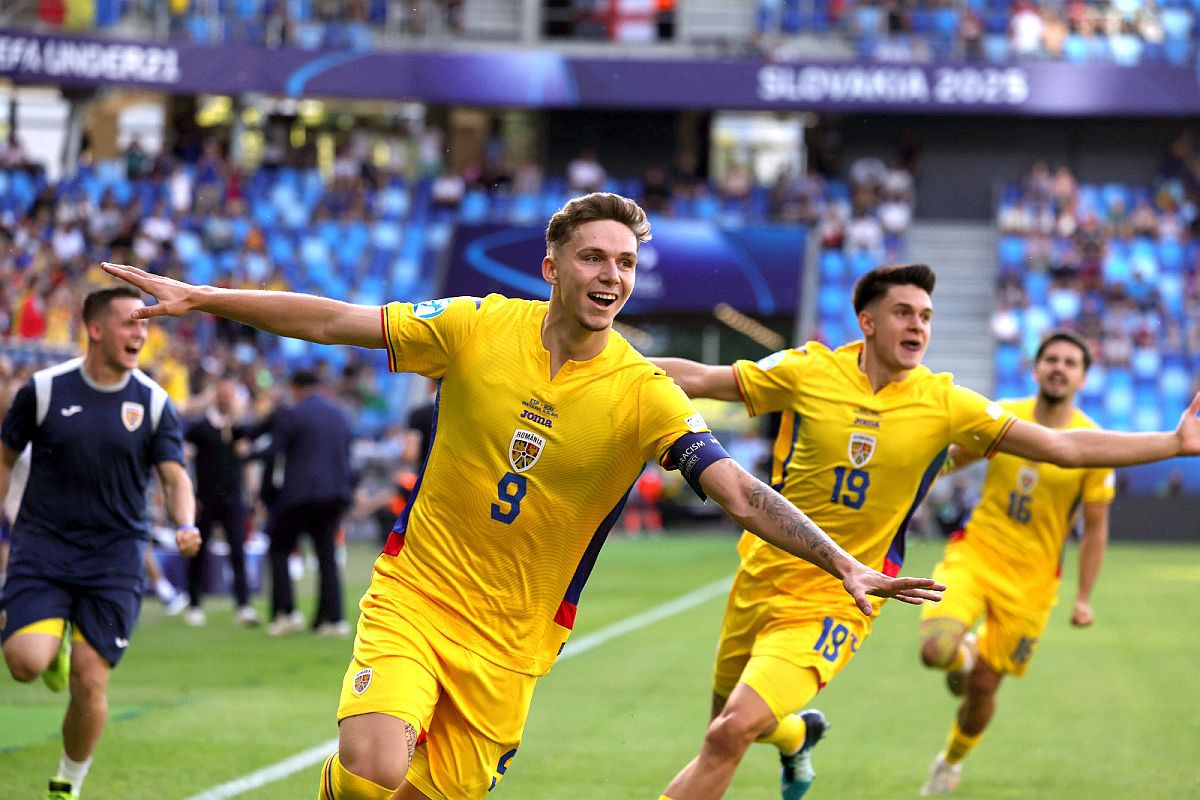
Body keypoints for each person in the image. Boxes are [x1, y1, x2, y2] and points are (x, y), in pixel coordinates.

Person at [99, 192, 942, 800]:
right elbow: (333, 321)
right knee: (371, 772)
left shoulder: (645, 391)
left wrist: (841, 563)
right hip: (418, 595)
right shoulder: (474, 325)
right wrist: (206, 298)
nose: (611, 274)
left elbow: (740, 494)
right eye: (593, 257)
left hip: (514, 645)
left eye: (625, 263)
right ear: (551, 268)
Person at [651, 263, 1200, 800]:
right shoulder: (807, 370)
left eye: (927, 316)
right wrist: (609, 366)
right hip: (760, 575)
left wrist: (1172, 444)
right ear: (867, 321)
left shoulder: (946, 403)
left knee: (729, 733)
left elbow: (1065, 447)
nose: (918, 326)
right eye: (904, 313)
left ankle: (822, 735)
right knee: (722, 730)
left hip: (843, 596)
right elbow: (702, 379)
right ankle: (798, 734)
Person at [0, 286, 200, 800]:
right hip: (42, 549)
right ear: (94, 329)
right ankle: (52, 648)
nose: (141, 334)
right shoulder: (42, 391)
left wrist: (185, 523)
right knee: (24, 664)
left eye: (144, 325)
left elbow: (175, 477)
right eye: (130, 323)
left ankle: (67, 782)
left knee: (90, 681)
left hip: (114, 560)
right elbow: (5, 458)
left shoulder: (154, 403)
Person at [917, 331, 1114, 795]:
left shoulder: (1093, 443)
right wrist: (906, 476)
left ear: (1083, 377)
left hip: (1032, 582)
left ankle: (950, 760)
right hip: (976, 553)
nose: (1059, 368)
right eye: (1052, 359)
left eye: (1070, 362)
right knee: (936, 651)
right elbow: (949, 461)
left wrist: (1084, 598)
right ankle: (961, 651)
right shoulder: (1005, 416)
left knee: (984, 686)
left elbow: (1096, 528)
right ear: (1036, 367)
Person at [260, 369, 355, 637]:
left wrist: (245, 454)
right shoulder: (339, 414)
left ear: (296, 388)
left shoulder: (295, 413)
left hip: (300, 496)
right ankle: (332, 619)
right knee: (326, 555)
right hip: (334, 496)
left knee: (279, 548)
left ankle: (286, 613)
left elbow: (274, 450)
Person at [183, 376, 259, 627]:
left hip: (233, 497)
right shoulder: (200, 427)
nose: (226, 399)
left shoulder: (239, 428)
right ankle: (194, 603)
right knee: (199, 550)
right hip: (205, 497)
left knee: (237, 549)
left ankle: (243, 604)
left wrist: (251, 494)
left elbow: (247, 460)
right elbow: (185, 459)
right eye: (223, 394)